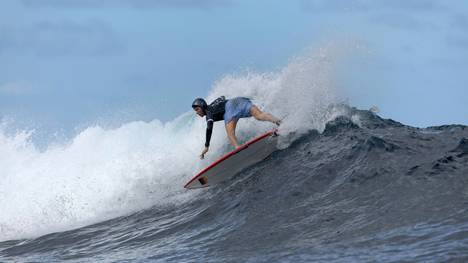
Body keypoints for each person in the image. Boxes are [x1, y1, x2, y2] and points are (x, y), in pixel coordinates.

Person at [192, 96, 281, 159]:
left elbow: (209, 128)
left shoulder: (209, 113)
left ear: (203, 106)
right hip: (239, 100)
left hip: (230, 107)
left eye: (197, 109)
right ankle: (279, 122)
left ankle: (238, 148)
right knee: (260, 116)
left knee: (230, 134)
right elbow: (222, 97)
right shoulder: (212, 106)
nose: (197, 112)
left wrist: (207, 146)